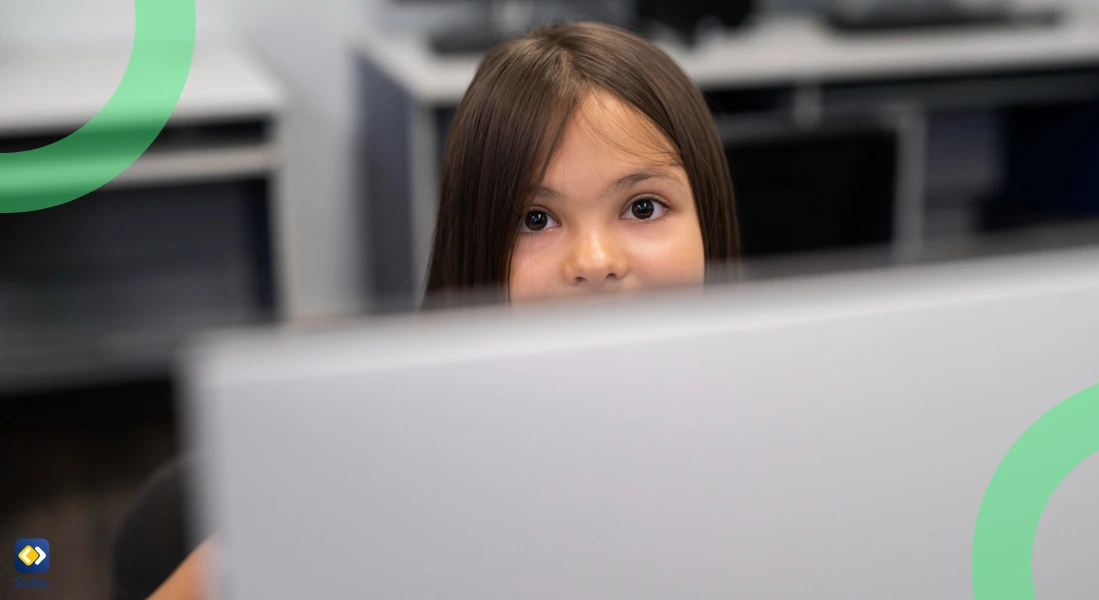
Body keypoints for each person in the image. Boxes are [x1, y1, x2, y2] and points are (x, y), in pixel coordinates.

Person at [138, 20, 740, 599]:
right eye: (536, 219)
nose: (596, 259)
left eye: (643, 207)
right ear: (475, 246)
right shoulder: (385, 456)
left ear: (709, 220)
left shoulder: (762, 430)